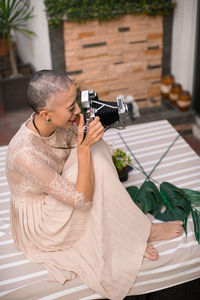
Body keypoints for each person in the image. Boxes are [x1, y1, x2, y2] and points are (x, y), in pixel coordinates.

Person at [6, 70, 184, 300]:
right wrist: (83, 147)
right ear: (45, 114)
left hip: (58, 186)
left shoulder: (54, 123)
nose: (77, 111)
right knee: (93, 161)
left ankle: (138, 230)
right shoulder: (24, 154)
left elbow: (77, 142)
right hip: (42, 220)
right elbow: (81, 200)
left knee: (96, 152)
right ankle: (138, 234)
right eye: (71, 108)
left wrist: (88, 133)